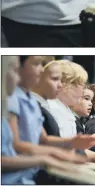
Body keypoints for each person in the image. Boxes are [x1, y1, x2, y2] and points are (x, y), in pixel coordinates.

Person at [1, 56, 71, 185]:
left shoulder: (31, 100)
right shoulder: (12, 98)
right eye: (13, 70)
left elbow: (42, 139)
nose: (41, 70)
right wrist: (47, 157)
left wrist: (73, 143)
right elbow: (15, 147)